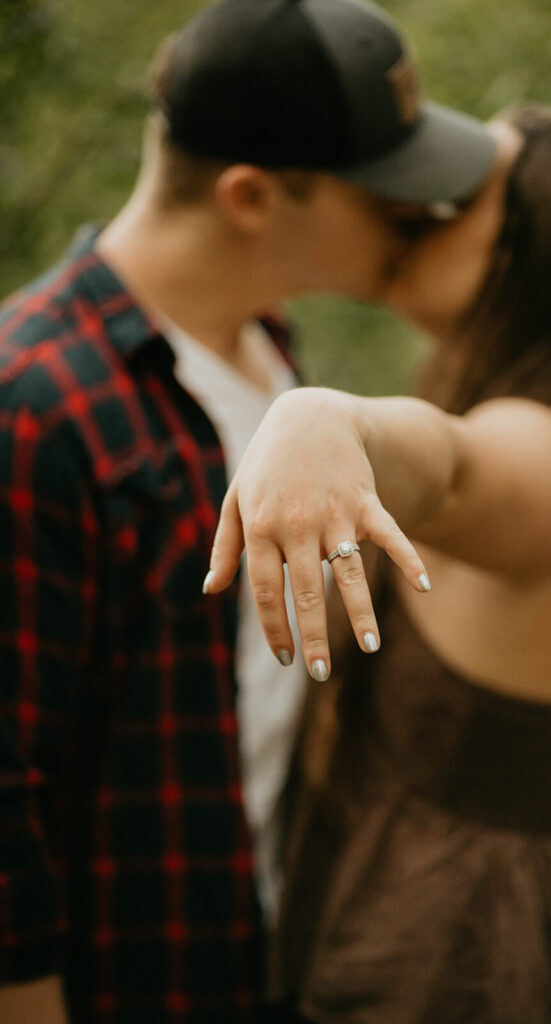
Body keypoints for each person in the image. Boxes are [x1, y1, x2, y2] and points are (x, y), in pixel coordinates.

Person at [0, 1, 500, 1020]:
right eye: (387, 195)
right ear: (249, 194)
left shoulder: (273, 360)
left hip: (264, 962)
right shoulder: (33, 405)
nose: (418, 216)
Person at [205, 105, 551, 1022]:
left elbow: (450, 466)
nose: (414, 209)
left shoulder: (543, 450)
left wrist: (326, 418)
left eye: (458, 201)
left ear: (530, 258)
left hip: (449, 963)